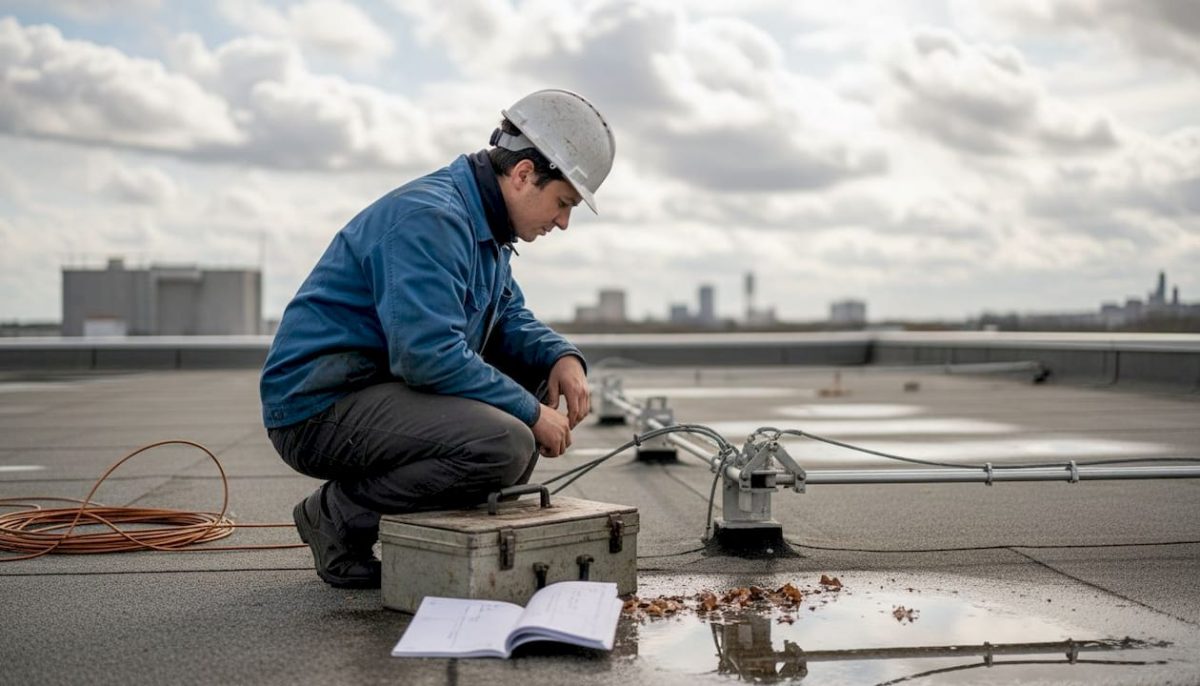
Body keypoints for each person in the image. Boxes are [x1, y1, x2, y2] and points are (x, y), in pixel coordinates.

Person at [260, 89, 616, 589]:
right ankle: (336, 517)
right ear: (522, 175)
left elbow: (509, 316)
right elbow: (426, 356)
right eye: (563, 202)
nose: (563, 222)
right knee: (505, 441)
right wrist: (533, 415)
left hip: (376, 389)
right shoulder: (433, 218)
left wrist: (562, 357)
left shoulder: (484, 227)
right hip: (317, 408)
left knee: (532, 385)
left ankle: (429, 541)